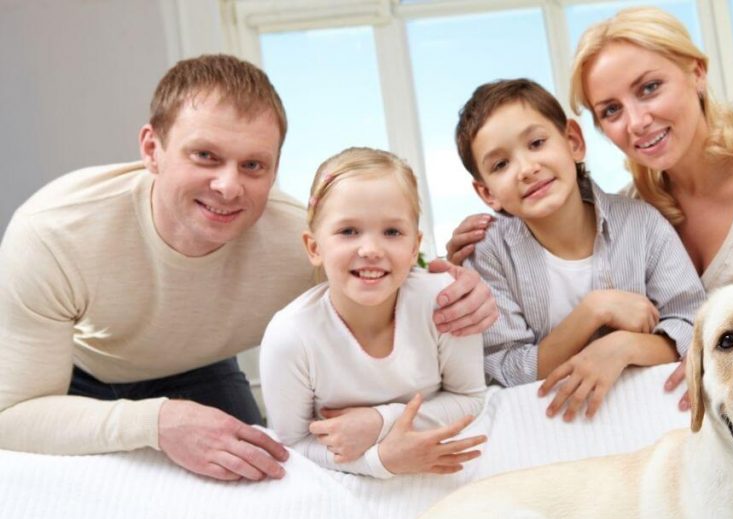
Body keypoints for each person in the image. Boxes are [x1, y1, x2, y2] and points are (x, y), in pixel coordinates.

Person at [0, 55, 496, 482]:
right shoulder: (55, 232)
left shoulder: (295, 239)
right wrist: (157, 423)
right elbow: (10, 417)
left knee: (263, 476)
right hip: (79, 374)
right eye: (205, 156)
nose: (228, 186)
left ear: (276, 169)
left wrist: (450, 276)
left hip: (202, 368)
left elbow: (378, 250)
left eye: (253, 166)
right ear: (152, 149)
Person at [446, 7, 733, 409]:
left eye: (649, 88)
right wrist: (470, 252)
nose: (636, 120)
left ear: (697, 73)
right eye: (610, 110)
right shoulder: (635, 208)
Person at [456, 79, 705, 421]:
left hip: (648, 414)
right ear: (487, 194)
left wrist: (622, 347)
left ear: (573, 141)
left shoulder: (642, 224)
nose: (527, 169)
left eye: (537, 143)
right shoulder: (487, 253)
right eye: (501, 165)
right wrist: (593, 310)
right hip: (554, 428)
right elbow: (510, 372)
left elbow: (695, 326)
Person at [259, 148, 487, 478]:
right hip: (342, 478)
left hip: (439, 466)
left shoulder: (444, 302)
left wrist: (379, 422)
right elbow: (291, 445)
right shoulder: (290, 336)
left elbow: (470, 398)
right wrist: (380, 461)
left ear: (414, 248)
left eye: (392, 232)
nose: (371, 250)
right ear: (314, 247)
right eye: (348, 231)